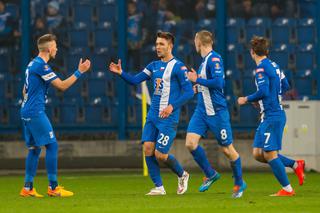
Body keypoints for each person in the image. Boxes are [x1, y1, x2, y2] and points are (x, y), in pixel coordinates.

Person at [109, 31, 194, 195]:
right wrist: (121, 73)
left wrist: (171, 106)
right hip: (153, 116)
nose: (158, 47)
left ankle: (183, 174)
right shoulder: (153, 66)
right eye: (156, 44)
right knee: (148, 148)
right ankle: (159, 187)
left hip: (168, 118)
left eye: (161, 44)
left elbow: (189, 92)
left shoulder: (178, 66)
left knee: (160, 155)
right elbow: (135, 80)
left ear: (170, 46)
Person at [20, 34, 91, 197]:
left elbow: (24, 90)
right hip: (35, 111)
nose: (57, 49)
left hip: (25, 110)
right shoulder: (41, 66)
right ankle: (53, 187)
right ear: (49, 49)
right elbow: (62, 86)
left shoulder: (32, 64)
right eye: (55, 46)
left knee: (34, 149)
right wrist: (79, 72)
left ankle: (27, 188)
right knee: (52, 145)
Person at [237, 36, 305, 196]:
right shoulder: (274, 65)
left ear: (252, 52)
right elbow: (286, 85)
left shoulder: (261, 68)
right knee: (258, 154)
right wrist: (267, 98)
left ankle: (287, 189)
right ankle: (295, 164)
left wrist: (246, 99)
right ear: (267, 51)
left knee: (269, 154)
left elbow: (263, 91)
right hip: (269, 115)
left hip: (272, 115)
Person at [186, 30, 246, 198]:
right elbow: (206, 84)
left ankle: (239, 183)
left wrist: (196, 80)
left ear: (199, 42)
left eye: (195, 41)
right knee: (190, 143)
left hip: (217, 112)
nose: (194, 44)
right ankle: (210, 174)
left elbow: (219, 82)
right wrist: (196, 87)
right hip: (201, 111)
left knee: (228, 150)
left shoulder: (214, 59)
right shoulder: (203, 62)